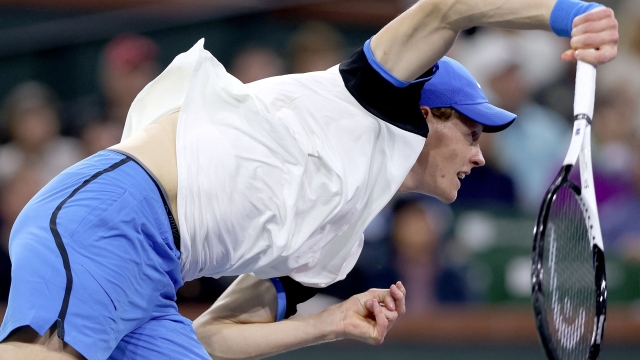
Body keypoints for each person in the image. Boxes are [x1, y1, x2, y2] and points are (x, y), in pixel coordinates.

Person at [0, 0, 619, 359]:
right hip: (109, 215)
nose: (481, 155)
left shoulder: (335, 246)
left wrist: (331, 321)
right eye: (474, 132)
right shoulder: (366, 102)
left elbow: (215, 333)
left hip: (158, 281)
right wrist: (567, 13)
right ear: (425, 115)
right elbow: (446, 8)